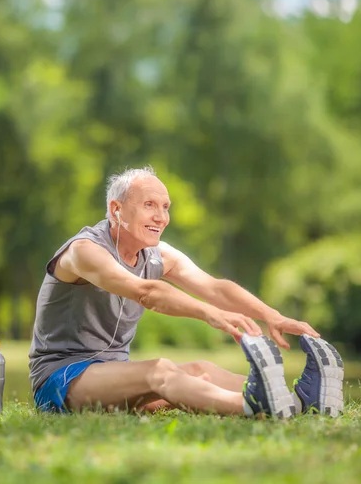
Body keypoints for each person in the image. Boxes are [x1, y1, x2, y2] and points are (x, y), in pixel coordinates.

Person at [28, 166, 344, 418]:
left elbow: (214, 287)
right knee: (159, 371)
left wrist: (271, 316)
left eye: (165, 207)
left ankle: (299, 402)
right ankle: (255, 405)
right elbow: (146, 292)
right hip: (61, 379)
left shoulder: (155, 255)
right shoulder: (84, 251)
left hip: (114, 375)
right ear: (117, 209)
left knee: (201, 371)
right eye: (149, 205)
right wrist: (210, 314)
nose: (161, 217)